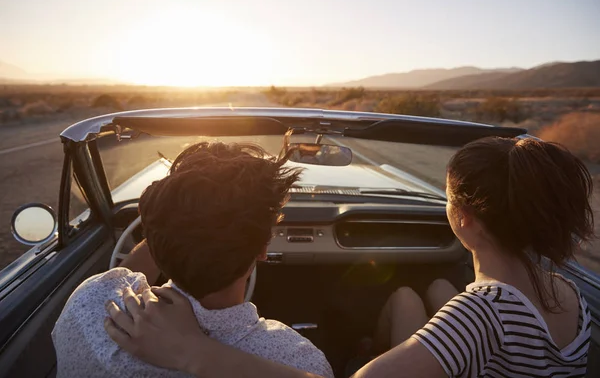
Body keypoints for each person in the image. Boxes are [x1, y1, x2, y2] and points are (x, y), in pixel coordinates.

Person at [104, 137, 594, 377]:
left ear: (464, 219)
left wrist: (196, 350)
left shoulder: (480, 316)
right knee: (415, 294)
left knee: (423, 302)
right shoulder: (571, 294)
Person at [52, 142, 334, 378]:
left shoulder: (88, 303)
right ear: (262, 249)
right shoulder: (297, 361)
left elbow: (122, 274)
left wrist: (175, 214)